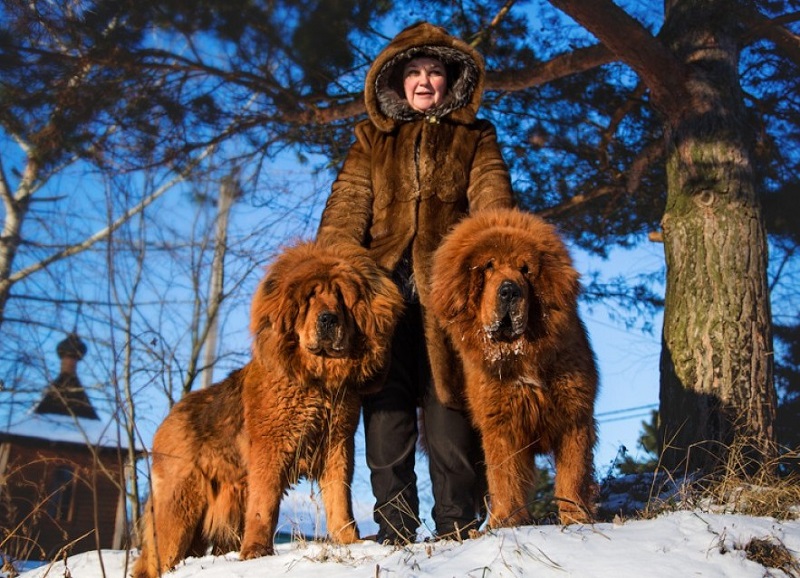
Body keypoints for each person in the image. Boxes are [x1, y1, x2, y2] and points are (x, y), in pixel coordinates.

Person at [316, 21, 514, 544]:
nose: (425, 81)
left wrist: (483, 276)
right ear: (396, 82)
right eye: (414, 72)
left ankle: (457, 525)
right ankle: (397, 530)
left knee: (451, 411)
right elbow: (343, 217)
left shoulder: (476, 136)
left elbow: (493, 209)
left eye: (435, 72)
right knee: (386, 414)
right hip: (381, 298)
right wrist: (347, 286)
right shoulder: (369, 139)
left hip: (450, 295)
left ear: (452, 82)